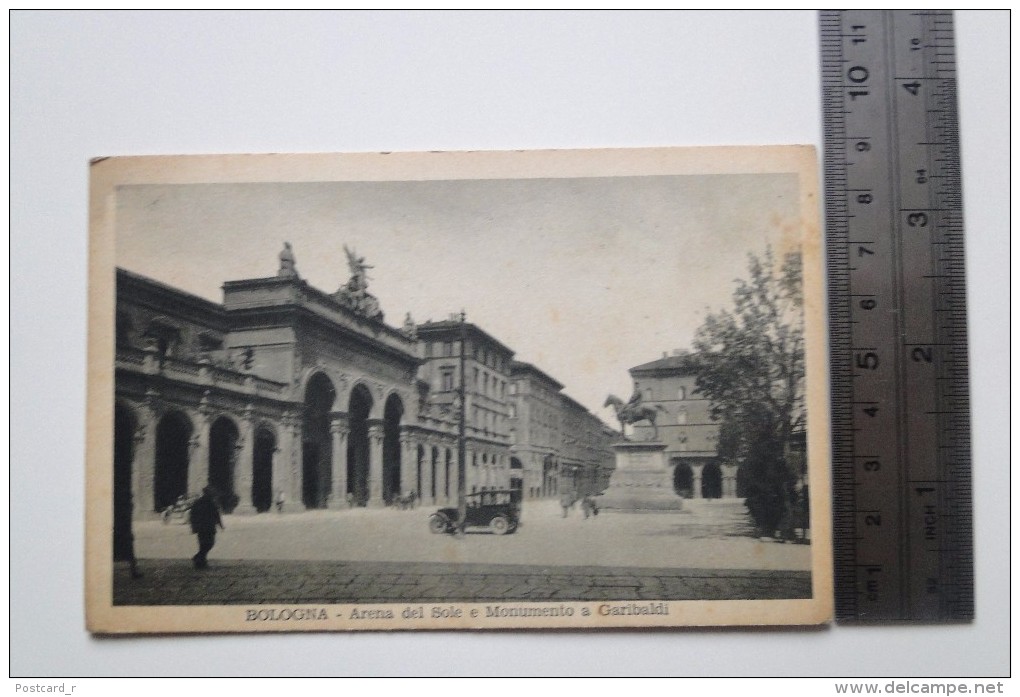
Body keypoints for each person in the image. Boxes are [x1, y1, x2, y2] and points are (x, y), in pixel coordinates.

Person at [189, 486, 224, 569]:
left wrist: (193, 526)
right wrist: (220, 525)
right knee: (207, 544)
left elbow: (216, 515)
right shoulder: (208, 502)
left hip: (205, 526)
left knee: (206, 544)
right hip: (206, 526)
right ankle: (200, 561)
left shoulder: (202, 502)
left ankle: (199, 559)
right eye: (211, 493)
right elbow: (216, 515)